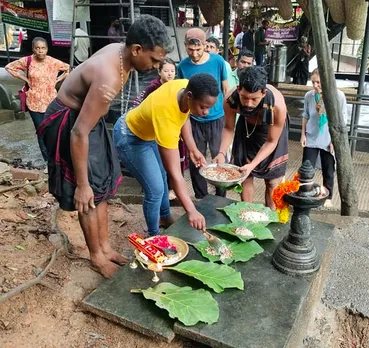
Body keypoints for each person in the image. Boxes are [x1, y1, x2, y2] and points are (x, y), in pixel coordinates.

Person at [37, 15, 173, 278]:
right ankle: (96, 256)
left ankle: (105, 247)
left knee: (102, 185)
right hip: (72, 125)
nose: (157, 66)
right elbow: (78, 133)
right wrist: (82, 184)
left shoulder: (120, 53)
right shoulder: (109, 79)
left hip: (87, 120)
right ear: (136, 50)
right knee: (89, 192)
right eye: (154, 60)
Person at [113, 74, 219, 236]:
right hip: (130, 136)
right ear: (190, 96)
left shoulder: (186, 86)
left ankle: (164, 217)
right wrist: (191, 210)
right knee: (155, 189)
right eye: (203, 107)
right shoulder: (166, 116)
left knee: (161, 178)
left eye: (209, 107)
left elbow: (184, 116)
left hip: (150, 133)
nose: (206, 112)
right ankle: (153, 236)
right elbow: (176, 175)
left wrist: (192, 149)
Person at [214, 66, 289, 209]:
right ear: (238, 89)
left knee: (273, 182)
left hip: (271, 134)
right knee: (244, 175)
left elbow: (272, 142)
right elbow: (229, 128)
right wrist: (221, 153)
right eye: (244, 97)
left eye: (254, 99)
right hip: (246, 129)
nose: (248, 104)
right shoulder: (230, 100)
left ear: (264, 92)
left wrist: (253, 164)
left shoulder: (277, 107)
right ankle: (246, 216)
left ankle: (270, 218)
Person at [177, 28, 228, 199]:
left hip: (216, 118)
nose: (194, 53)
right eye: (190, 49)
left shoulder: (218, 61)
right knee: (196, 159)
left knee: (219, 157)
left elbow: (226, 88)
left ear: (205, 45)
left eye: (198, 49)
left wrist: (229, 118)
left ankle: (221, 196)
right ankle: (201, 197)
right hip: (193, 120)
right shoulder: (182, 66)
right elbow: (183, 93)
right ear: (185, 46)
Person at [5, 37, 70, 163]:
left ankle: (56, 158)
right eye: (37, 48)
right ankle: (48, 161)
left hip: (51, 101)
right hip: (34, 101)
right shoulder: (27, 61)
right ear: (33, 49)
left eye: (43, 48)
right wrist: (25, 79)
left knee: (53, 130)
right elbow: (9, 67)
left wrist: (57, 80)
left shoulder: (53, 62)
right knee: (41, 131)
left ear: (47, 49)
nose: (40, 51)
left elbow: (68, 68)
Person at [131, 58, 186, 201]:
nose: (169, 74)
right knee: (162, 163)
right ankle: (164, 189)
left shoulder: (179, 87)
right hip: (156, 132)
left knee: (176, 161)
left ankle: (174, 188)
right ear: (159, 72)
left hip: (174, 131)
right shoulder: (153, 88)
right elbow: (140, 103)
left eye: (172, 71)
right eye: (166, 71)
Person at [300, 68, 347, 208]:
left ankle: (328, 196)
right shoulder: (309, 95)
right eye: (313, 82)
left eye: (319, 82)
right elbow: (305, 115)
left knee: (328, 168)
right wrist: (303, 134)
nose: (315, 85)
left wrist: (335, 140)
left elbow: (342, 120)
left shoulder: (338, 96)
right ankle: (305, 192)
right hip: (312, 136)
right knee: (306, 166)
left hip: (328, 138)